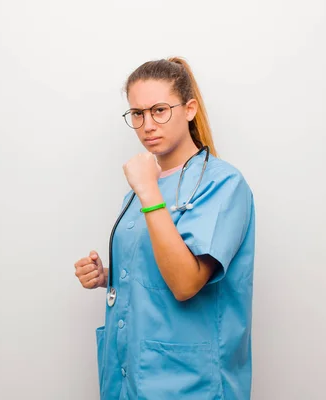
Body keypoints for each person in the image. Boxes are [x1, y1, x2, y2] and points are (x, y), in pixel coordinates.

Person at [74, 56, 255, 399]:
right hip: (130, 378)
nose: (147, 125)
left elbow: (187, 282)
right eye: (138, 114)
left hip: (189, 383)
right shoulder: (142, 189)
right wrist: (109, 275)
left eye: (159, 110)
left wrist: (148, 190)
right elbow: (156, 266)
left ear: (189, 109)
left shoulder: (223, 184)